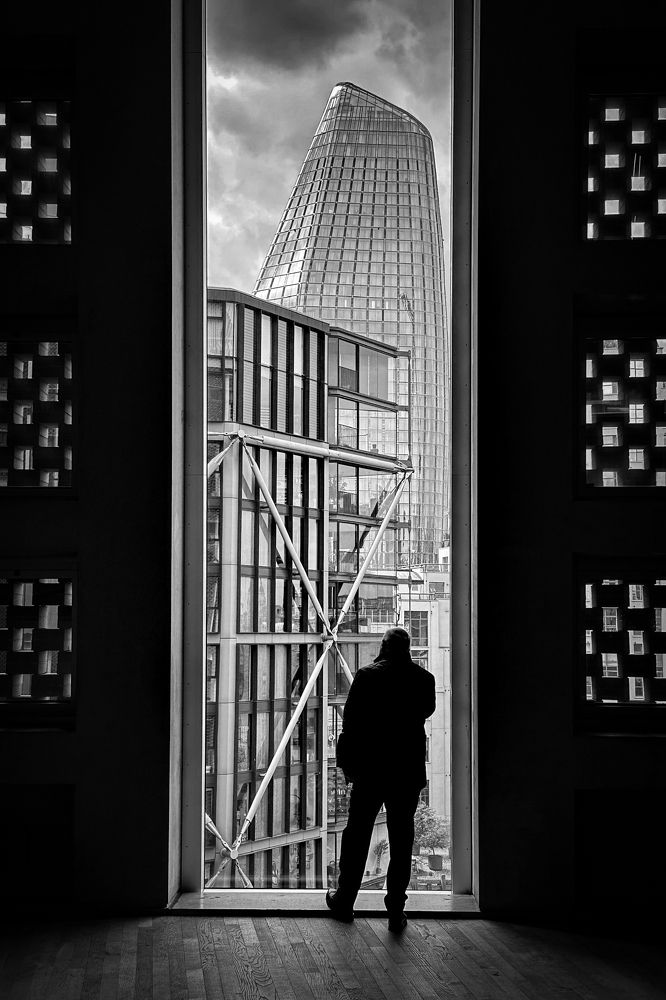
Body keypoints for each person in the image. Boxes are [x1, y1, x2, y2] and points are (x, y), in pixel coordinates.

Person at [326, 626, 436, 932]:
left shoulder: (367, 676)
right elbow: (425, 712)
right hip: (406, 772)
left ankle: (345, 899)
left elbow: (350, 724)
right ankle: (396, 909)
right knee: (402, 840)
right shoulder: (424, 679)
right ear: (408, 648)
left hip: (370, 770)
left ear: (383, 647)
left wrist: (347, 765)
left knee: (357, 835)